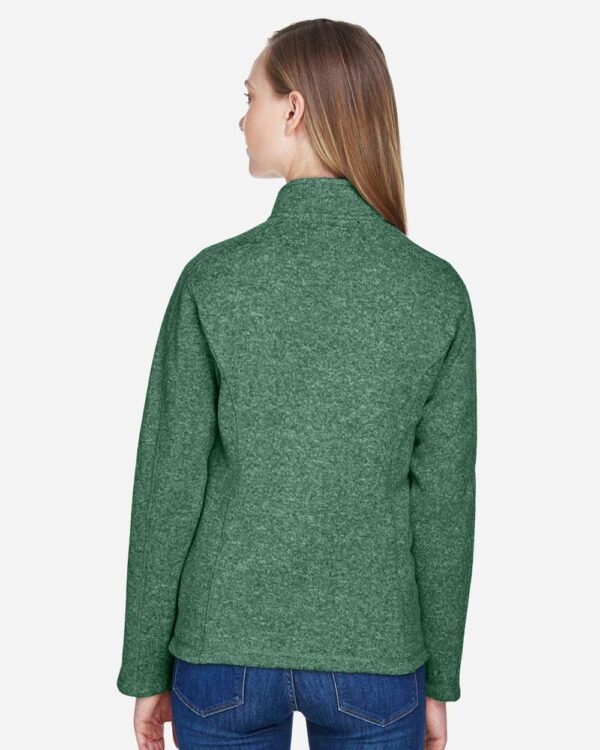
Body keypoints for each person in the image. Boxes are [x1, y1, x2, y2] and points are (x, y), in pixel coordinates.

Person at [116, 18, 477, 750]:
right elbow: (444, 506)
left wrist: (146, 661)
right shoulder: (435, 291)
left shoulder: (213, 279)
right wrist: (439, 678)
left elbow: (168, 485)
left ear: (294, 109)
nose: (241, 117)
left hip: (222, 651)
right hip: (377, 656)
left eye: (250, 96)